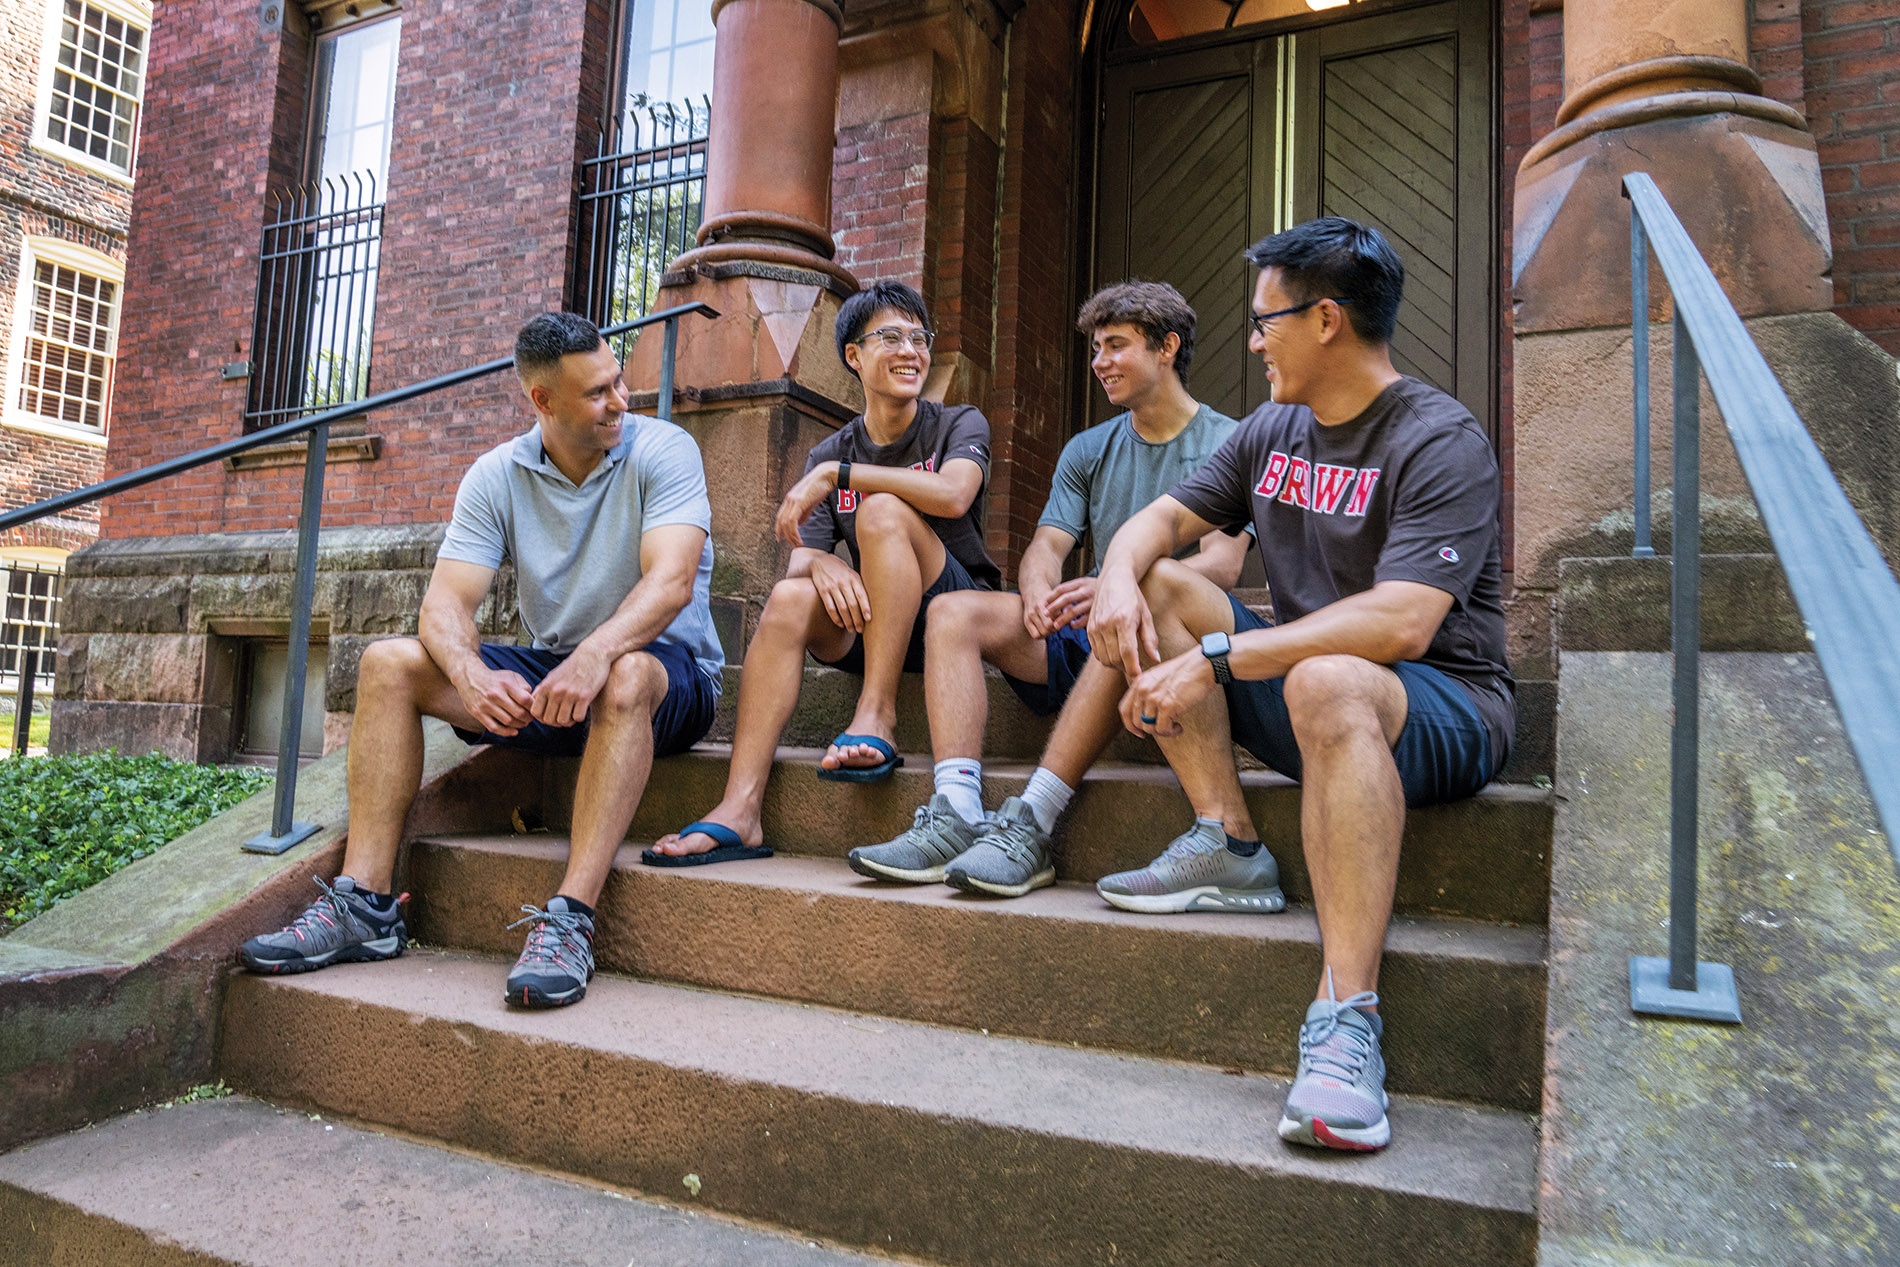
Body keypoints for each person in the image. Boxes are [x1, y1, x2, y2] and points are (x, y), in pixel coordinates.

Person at [1088, 218, 1514, 1152]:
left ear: (1326, 320)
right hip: (1311, 694)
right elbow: (1156, 525)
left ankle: (1346, 1017)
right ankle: (1228, 841)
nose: (1251, 340)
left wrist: (1217, 660)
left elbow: (1404, 623)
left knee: (1324, 675)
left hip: (1441, 708)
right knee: (1167, 582)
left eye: (1264, 320)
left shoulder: (1438, 436)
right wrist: (1119, 574)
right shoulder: (1273, 431)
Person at [238, 312, 723, 1009]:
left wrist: (595, 654)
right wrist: (470, 673)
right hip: (558, 674)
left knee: (625, 672)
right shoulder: (497, 474)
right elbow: (442, 606)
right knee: (389, 662)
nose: (621, 401)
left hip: (666, 676)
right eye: (598, 392)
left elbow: (672, 580)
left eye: (619, 381)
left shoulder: (663, 450)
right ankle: (366, 906)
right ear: (543, 401)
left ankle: (571, 918)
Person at [844, 281, 1255, 896]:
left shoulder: (1230, 442)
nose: (1099, 364)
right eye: (1095, 349)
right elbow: (1046, 547)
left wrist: (1116, 590)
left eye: (1115, 347)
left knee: (1142, 601)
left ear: (1167, 347)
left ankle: (1033, 819)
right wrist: (1038, 590)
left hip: (1174, 639)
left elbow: (1222, 565)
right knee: (954, 612)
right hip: (1085, 627)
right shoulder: (1089, 448)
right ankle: (957, 808)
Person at [643, 280, 999, 865]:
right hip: (877, 617)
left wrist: (844, 476)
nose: (911, 350)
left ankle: (877, 714)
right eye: (891, 337)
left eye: (919, 337)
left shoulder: (958, 424)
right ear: (853, 356)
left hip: (951, 614)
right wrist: (824, 560)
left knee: (883, 513)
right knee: (788, 598)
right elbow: (799, 551)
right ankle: (741, 807)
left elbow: (955, 495)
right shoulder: (833, 450)